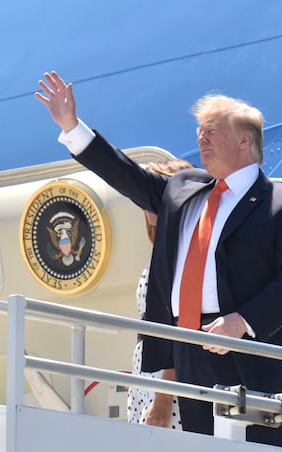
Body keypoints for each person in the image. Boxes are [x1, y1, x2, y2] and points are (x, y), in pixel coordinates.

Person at [35, 71, 282, 448]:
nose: (200, 138)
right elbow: (125, 175)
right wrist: (72, 126)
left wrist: (243, 322)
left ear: (244, 140)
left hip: (248, 351)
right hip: (187, 347)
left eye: (211, 131)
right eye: (199, 131)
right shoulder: (184, 188)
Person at [128, 159, 193, 429]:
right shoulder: (162, 250)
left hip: (168, 381)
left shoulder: (186, 252)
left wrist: (164, 397)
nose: (146, 202)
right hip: (146, 372)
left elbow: (183, 328)